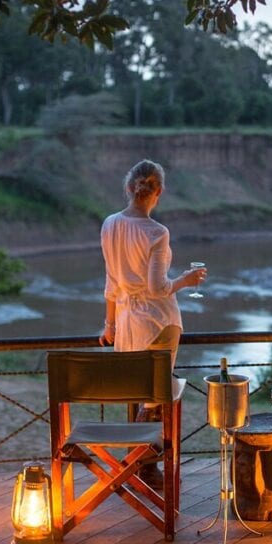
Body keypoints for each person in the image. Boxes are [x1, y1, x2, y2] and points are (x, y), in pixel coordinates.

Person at [98, 159, 206, 488]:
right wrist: (186, 281)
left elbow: (111, 283)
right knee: (157, 393)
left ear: (130, 188)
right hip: (159, 320)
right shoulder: (157, 232)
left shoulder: (110, 224)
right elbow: (159, 288)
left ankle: (138, 463)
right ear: (158, 192)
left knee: (140, 389)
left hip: (128, 320)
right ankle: (142, 464)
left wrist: (110, 325)